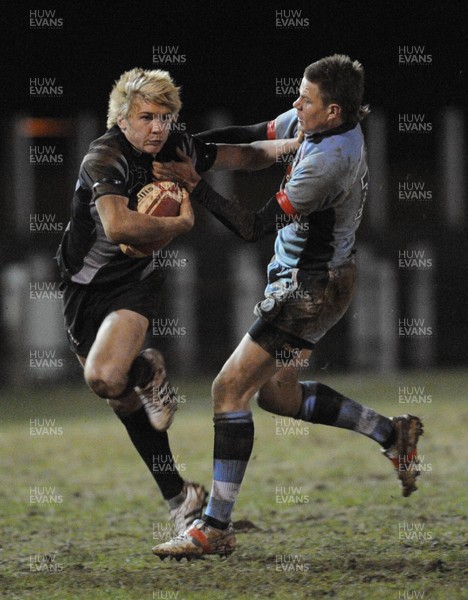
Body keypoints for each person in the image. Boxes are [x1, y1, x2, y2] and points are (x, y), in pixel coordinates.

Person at [151, 55, 424, 560]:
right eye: (300, 93)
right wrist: (193, 145)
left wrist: (194, 183)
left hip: (309, 290)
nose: (296, 104)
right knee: (276, 395)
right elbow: (257, 140)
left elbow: (254, 227)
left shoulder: (330, 162)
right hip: (314, 280)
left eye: (307, 100)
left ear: (335, 111)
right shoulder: (318, 119)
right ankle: (392, 433)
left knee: (228, 390)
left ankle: (214, 527)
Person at [56, 67, 301, 535]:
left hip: (134, 281)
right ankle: (180, 492)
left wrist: (296, 142)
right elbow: (119, 228)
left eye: (165, 118)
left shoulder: (175, 146)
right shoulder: (104, 158)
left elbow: (245, 154)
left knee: (107, 375)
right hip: (83, 286)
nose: (157, 128)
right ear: (122, 119)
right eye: (146, 117)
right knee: (115, 392)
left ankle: (147, 375)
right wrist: (178, 225)